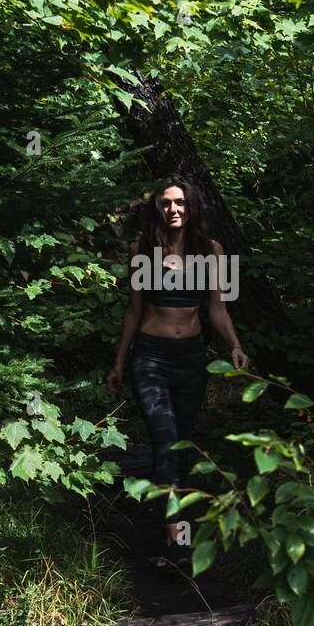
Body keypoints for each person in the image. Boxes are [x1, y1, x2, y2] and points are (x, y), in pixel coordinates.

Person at [106, 177, 249, 565]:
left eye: (181, 203)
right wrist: (119, 361)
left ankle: (174, 527)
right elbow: (134, 310)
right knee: (165, 438)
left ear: (192, 207)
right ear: (158, 209)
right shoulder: (143, 251)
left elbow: (218, 308)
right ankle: (175, 536)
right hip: (150, 357)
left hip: (190, 358)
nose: (174, 209)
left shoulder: (213, 251)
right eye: (167, 203)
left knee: (183, 441)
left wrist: (234, 346)